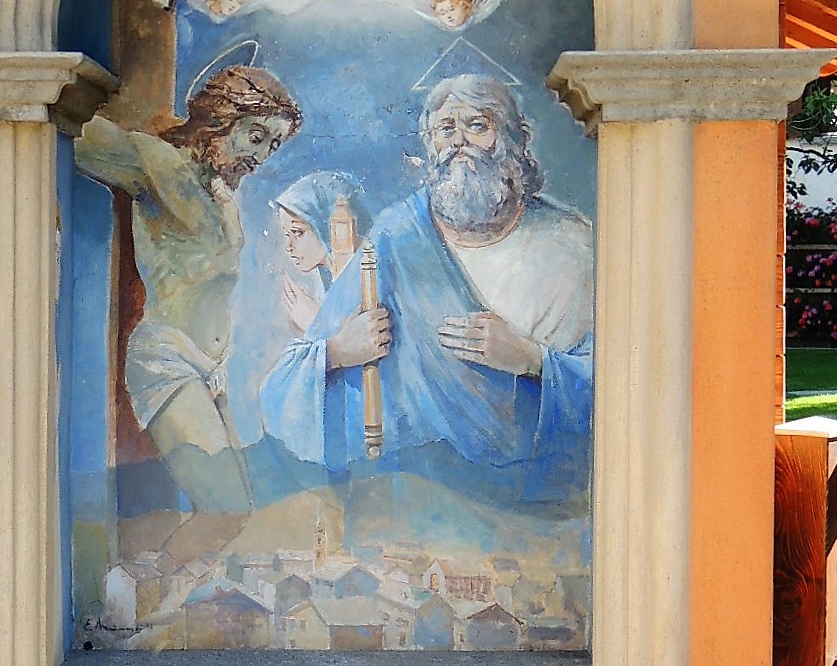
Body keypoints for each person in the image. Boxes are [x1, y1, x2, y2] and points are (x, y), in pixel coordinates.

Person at [259, 74, 592, 507]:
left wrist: (533, 360)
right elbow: (281, 391)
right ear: (430, 145)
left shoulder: (572, 245)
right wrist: (337, 352)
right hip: (417, 496)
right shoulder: (396, 237)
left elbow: (624, 386)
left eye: (478, 126)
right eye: (446, 129)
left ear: (515, 139)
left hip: (537, 500)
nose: (459, 143)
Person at [77, 64, 301, 512]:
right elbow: (79, 134)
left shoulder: (221, 197)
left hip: (211, 371)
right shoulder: (159, 164)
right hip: (168, 359)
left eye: (272, 145)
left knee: (238, 515)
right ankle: (145, 564)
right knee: (225, 512)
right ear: (220, 118)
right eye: (256, 136)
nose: (260, 156)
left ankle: (153, 564)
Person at [271, 171, 371, 335]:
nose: (288, 247)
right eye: (286, 234)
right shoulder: (328, 281)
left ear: (325, 228)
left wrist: (316, 324)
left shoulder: (368, 276)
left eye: (297, 232)